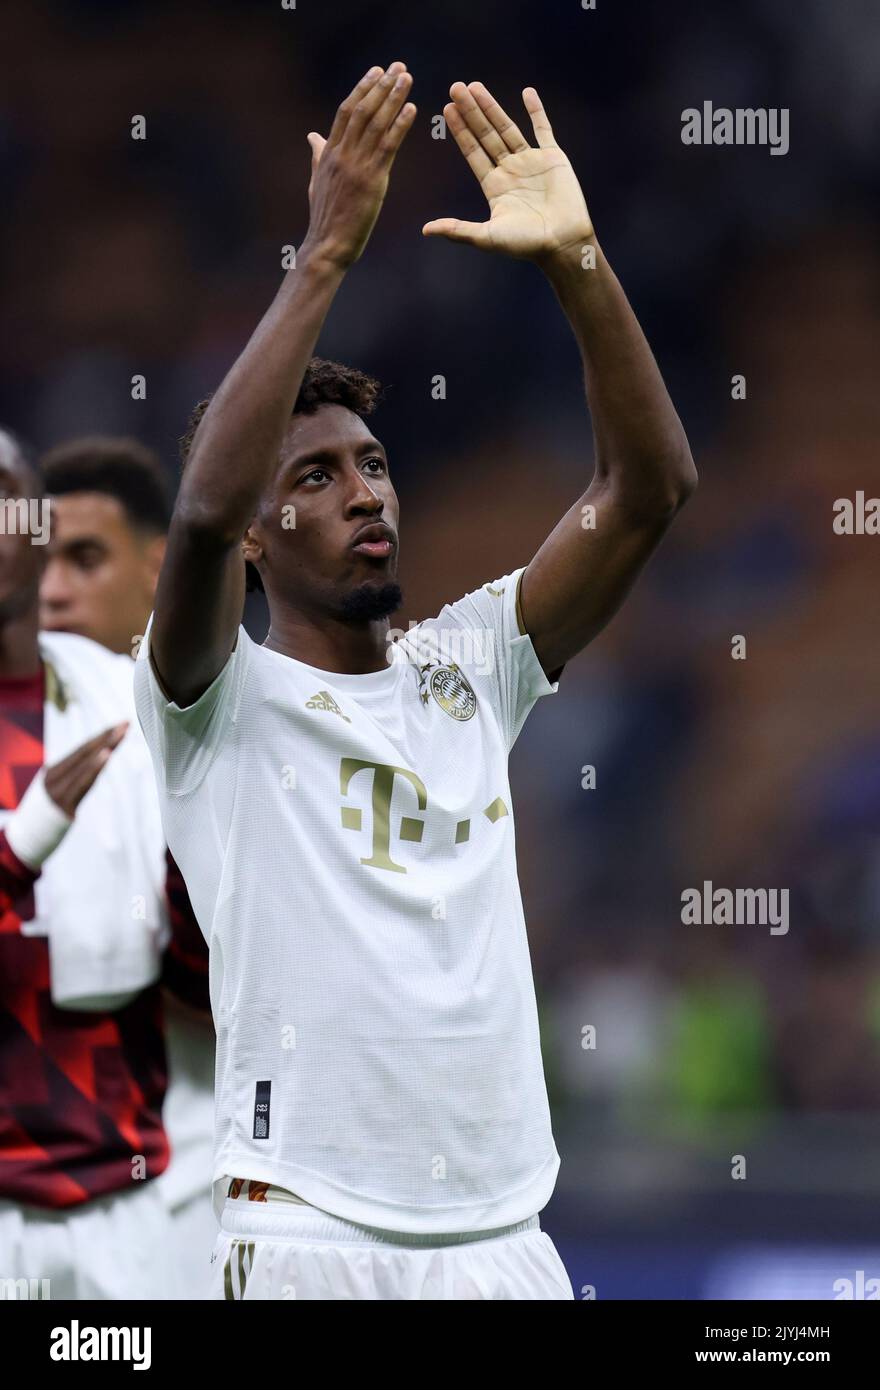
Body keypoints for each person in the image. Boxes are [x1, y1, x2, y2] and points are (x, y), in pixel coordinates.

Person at [135, 62, 696, 1300]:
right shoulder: (209, 701)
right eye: (318, 476)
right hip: (306, 1232)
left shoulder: (472, 666)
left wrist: (578, 263)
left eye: (375, 464)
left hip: (507, 1243)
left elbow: (645, 490)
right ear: (259, 537)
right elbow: (201, 511)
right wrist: (326, 253)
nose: (365, 492)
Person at [0, 429, 201, 1298]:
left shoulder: (142, 717)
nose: (57, 589)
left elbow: (216, 984)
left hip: (148, 1197)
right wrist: (24, 846)